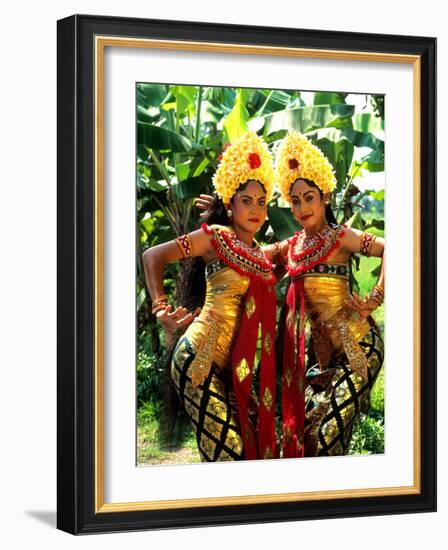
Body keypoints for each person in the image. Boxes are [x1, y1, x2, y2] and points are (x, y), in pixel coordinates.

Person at [142, 131, 279, 461]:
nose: (255, 210)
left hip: (233, 369)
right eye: (246, 201)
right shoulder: (216, 237)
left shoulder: (261, 254)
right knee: (228, 453)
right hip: (197, 360)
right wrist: (161, 307)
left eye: (261, 202)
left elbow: (297, 248)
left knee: (252, 450)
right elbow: (152, 256)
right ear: (230, 203)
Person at [271, 130, 385, 457]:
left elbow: (390, 248)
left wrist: (375, 297)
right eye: (295, 200)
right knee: (309, 438)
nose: (303, 206)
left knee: (327, 438)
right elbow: (250, 260)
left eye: (309, 197)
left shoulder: (341, 237)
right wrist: (222, 216)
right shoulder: (290, 249)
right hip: (321, 362)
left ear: (324, 198)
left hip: (360, 347)